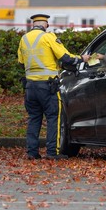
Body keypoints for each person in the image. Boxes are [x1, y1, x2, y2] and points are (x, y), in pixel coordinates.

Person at [17, 14, 90, 160]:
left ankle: (32, 153)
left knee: (34, 119)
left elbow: (21, 62)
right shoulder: (48, 37)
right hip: (47, 86)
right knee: (53, 118)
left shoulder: (24, 39)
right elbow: (66, 57)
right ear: (45, 24)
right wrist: (82, 58)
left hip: (30, 87)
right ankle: (52, 152)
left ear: (33, 24)